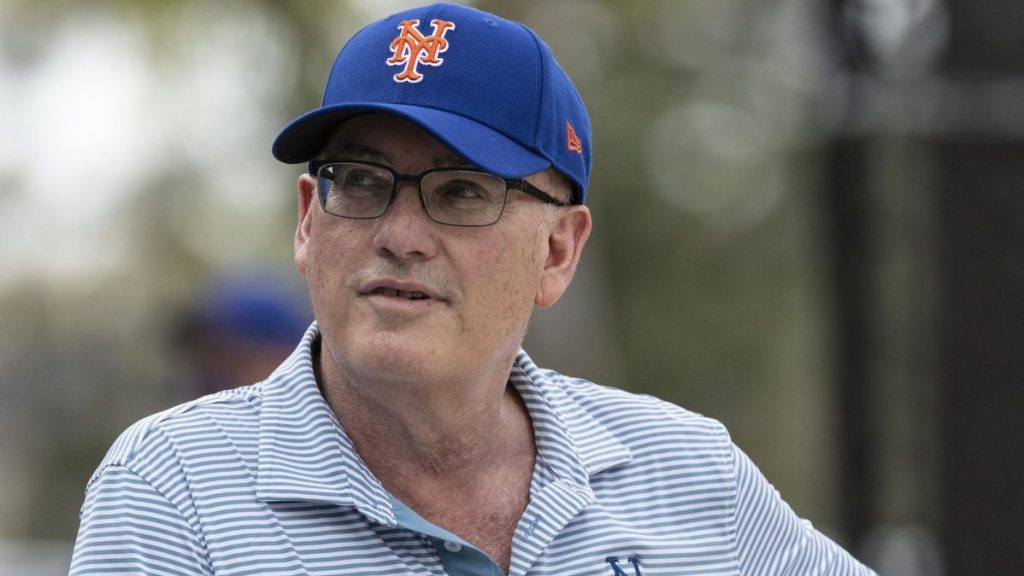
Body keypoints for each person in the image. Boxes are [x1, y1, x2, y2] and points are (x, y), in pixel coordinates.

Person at [70, 4, 877, 575]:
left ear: (558, 250)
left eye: (460, 192)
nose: (399, 232)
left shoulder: (687, 472)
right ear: (310, 222)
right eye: (361, 181)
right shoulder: (172, 487)